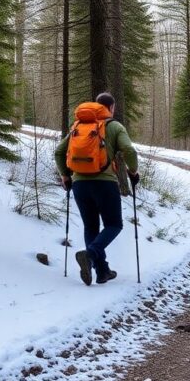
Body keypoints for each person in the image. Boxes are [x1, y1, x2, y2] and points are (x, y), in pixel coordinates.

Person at [55, 92, 140, 286]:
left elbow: (59, 151)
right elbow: (129, 150)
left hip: (79, 185)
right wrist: (133, 172)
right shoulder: (114, 126)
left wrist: (65, 175)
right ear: (111, 108)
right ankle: (91, 255)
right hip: (104, 183)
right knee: (114, 225)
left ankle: (102, 272)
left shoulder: (78, 126)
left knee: (90, 227)